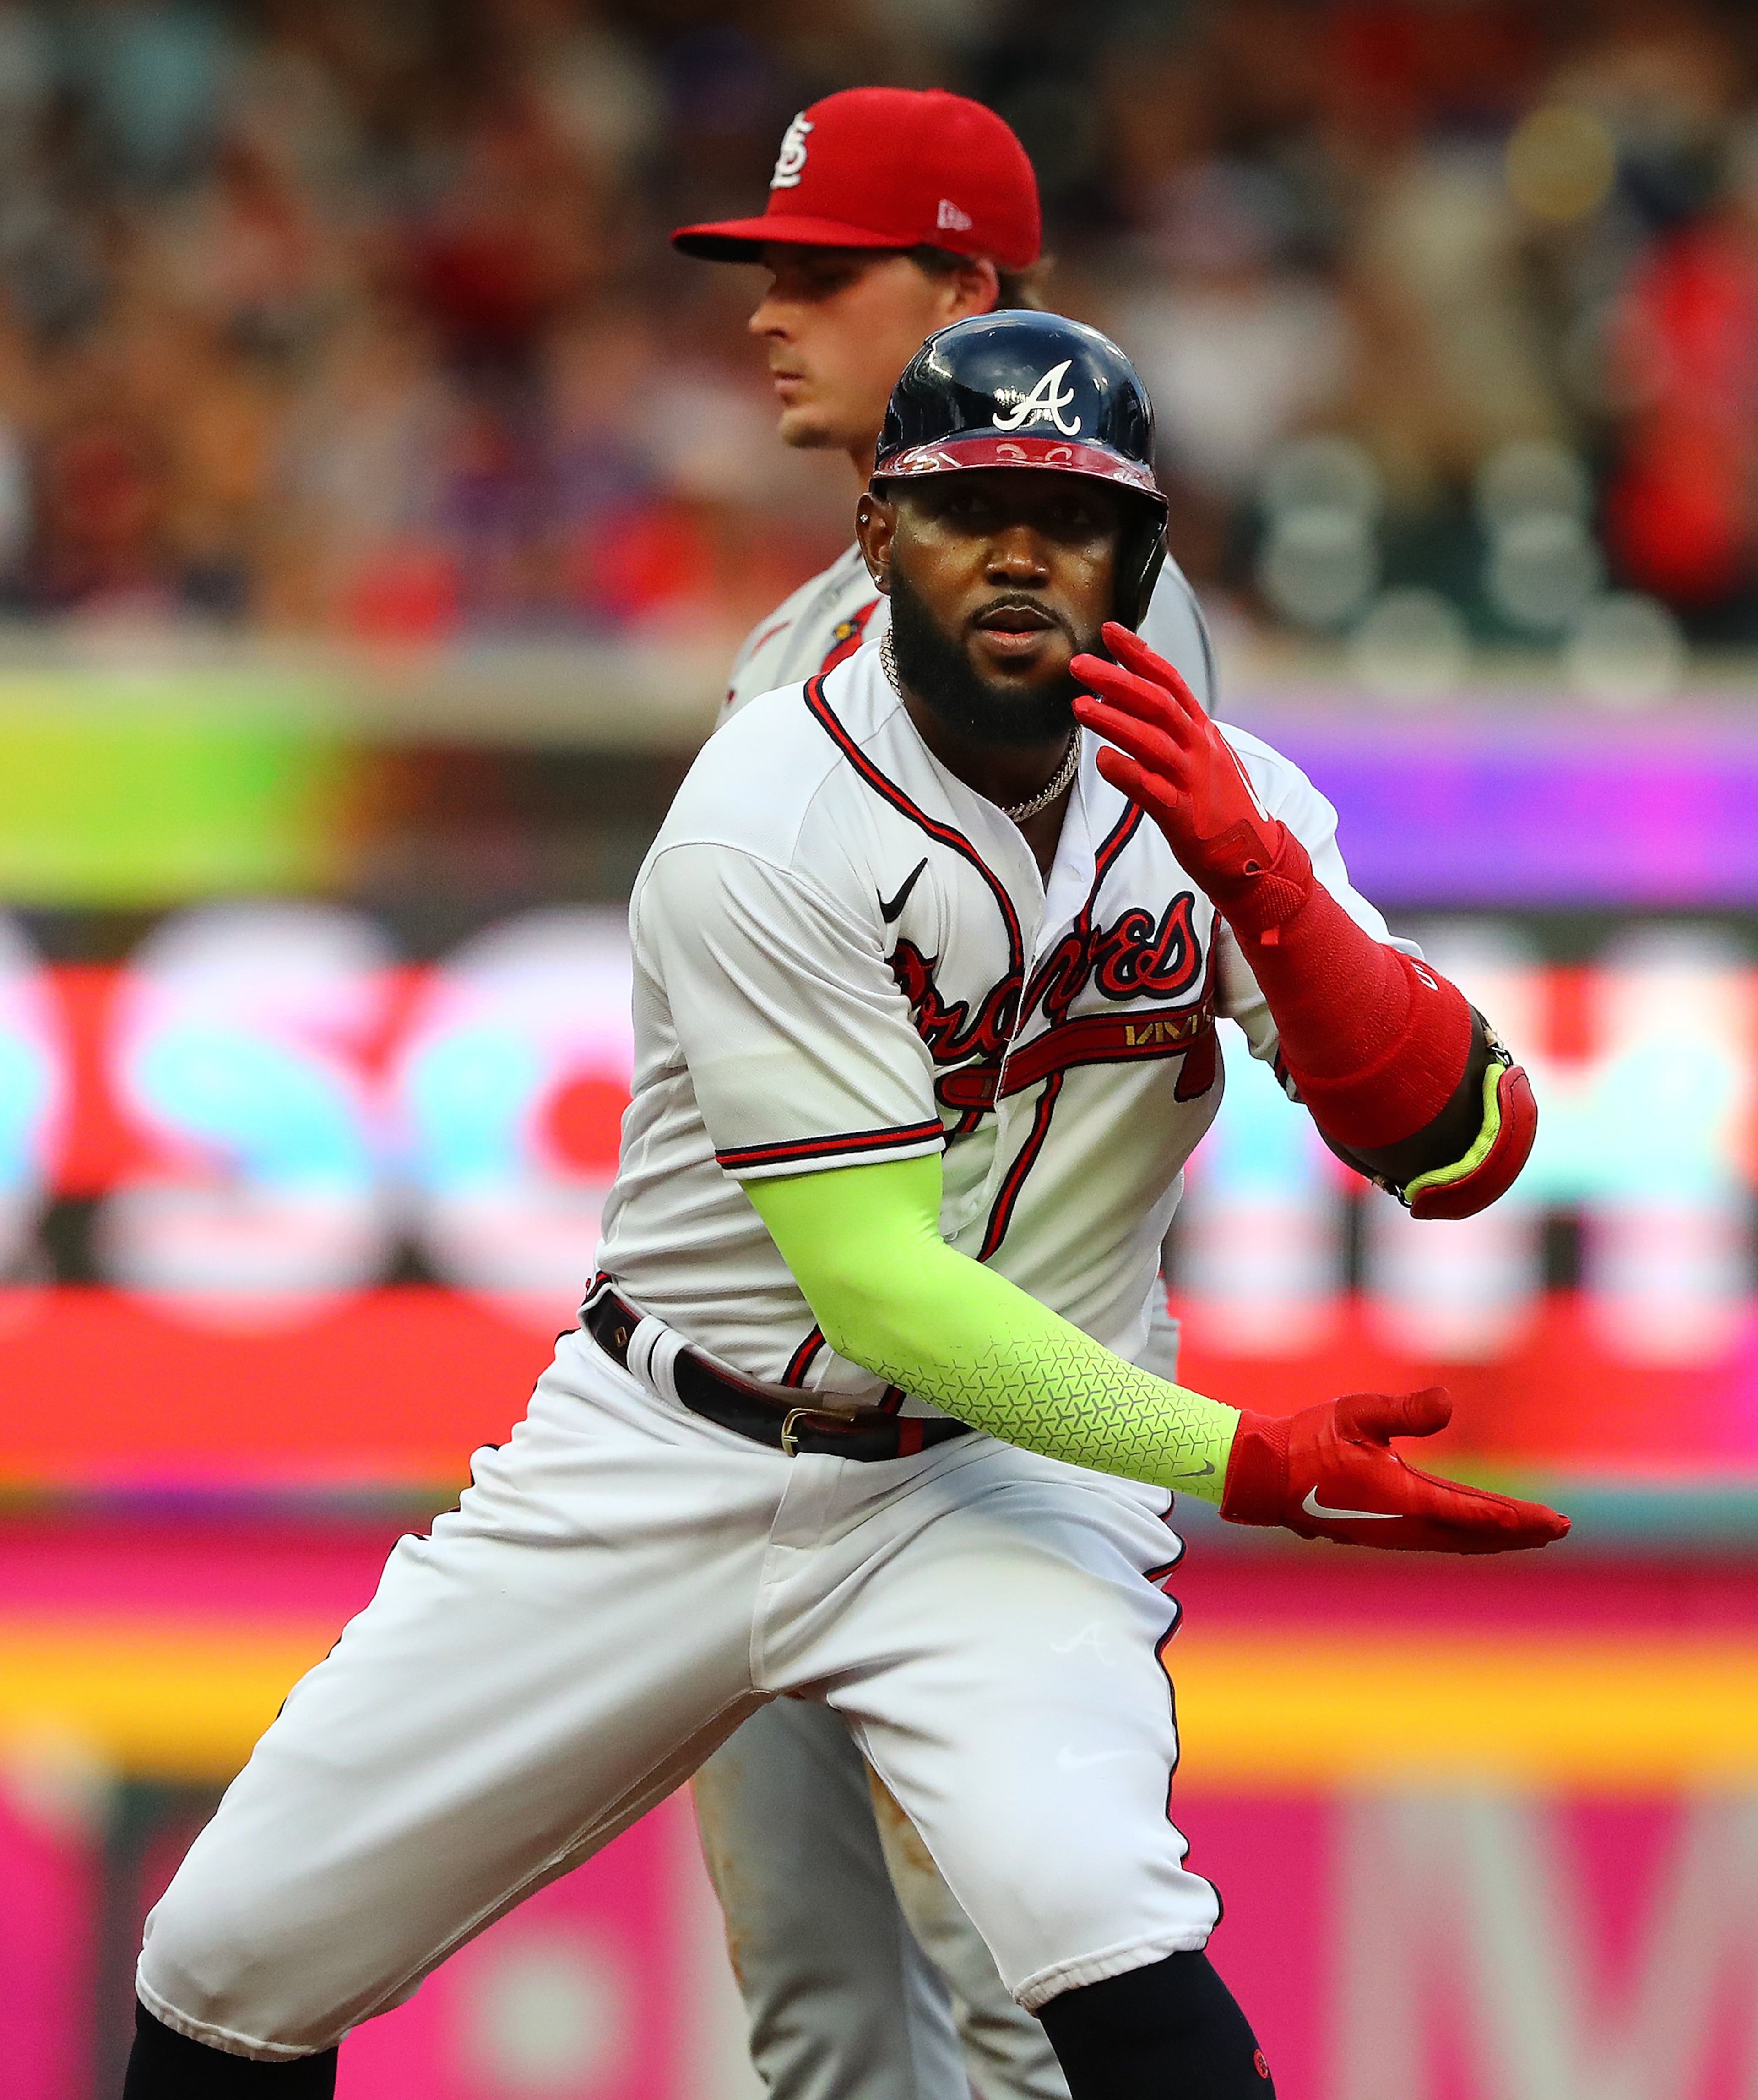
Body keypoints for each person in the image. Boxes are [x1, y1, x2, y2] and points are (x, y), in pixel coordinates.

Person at [121, 309, 1563, 2100]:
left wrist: (1274, 895)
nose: (1023, 547)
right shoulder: (771, 816)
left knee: (1094, 1912)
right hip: (674, 1453)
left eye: (1073, 509)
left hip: (997, 1487)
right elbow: (879, 1288)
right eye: (973, 507)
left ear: (1142, 552)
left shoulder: (1225, 804)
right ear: (879, 536)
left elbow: (1466, 1147)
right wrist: (1248, 1459)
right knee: (229, 1956)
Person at [669, 84, 1214, 2100]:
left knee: (1025, 2011)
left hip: (977, 1438)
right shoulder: (812, 632)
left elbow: (1077, 1029)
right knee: (821, 2019)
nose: (768, 313)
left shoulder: (1091, 626)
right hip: (747, 1424)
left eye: (825, 273)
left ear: (969, 284)